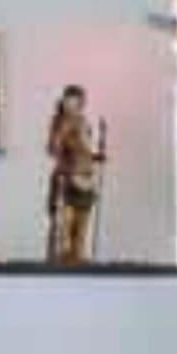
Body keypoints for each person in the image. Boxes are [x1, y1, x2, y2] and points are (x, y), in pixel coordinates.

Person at [45, 85, 105, 263]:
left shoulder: (84, 122)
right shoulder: (60, 123)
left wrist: (96, 156)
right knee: (65, 226)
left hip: (85, 178)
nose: (72, 106)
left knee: (82, 226)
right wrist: (63, 132)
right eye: (68, 101)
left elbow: (85, 149)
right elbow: (52, 149)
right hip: (68, 179)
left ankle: (78, 259)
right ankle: (64, 260)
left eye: (76, 102)